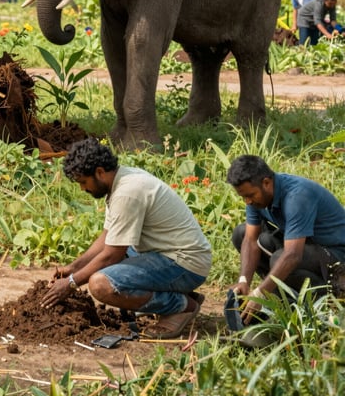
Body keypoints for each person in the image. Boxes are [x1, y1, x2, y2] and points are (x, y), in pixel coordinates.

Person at [40, 138, 211, 339]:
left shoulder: (127, 193)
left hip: (184, 264)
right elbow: (108, 238)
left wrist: (70, 283)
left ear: (99, 172)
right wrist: (73, 268)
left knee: (101, 284)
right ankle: (174, 293)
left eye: (83, 182)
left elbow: (112, 255)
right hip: (163, 255)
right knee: (99, 269)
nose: (83, 189)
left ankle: (181, 306)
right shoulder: (120, 182)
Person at [226, 154, 345, 323]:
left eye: (250, 195)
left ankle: (326, 301)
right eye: (243, 197)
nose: (247, 201)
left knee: (280, 259)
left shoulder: (297, 196)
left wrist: (260, 293)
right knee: (241, 233)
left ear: (266, 182)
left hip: (337, 255)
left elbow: (292, 255)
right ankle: (282, 294)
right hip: (308, 245)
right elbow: (250, 239)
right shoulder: (256, 197)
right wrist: (243, 281)